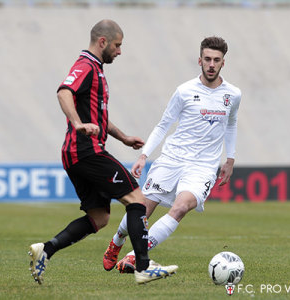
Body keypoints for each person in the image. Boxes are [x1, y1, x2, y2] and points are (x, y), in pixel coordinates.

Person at [28, 19, 178, 285]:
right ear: (103, 42)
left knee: (100, 217)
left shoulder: (96, 70)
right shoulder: (86, 65)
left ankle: (46, 249)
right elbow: (64, 92)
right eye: (117, 45)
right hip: (87, 151)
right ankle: (143, 267)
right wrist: (77, 123)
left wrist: (123, 137)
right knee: (137, 201)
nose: (119, 51)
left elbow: (98, 116)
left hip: (77, 154)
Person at [103, 36, 241, 273]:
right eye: (207, 59)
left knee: (181, 207)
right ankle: (117, 240)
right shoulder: (184, 91)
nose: (211, 64)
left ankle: (135, 256)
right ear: (199, 60)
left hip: (203, 166)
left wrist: (230, 159)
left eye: (216, 60)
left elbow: (231, 124)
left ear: (223, 63)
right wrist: (144, 155)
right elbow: (163, 125)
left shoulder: (233, 94)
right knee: (142, 210)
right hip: (172, 159)